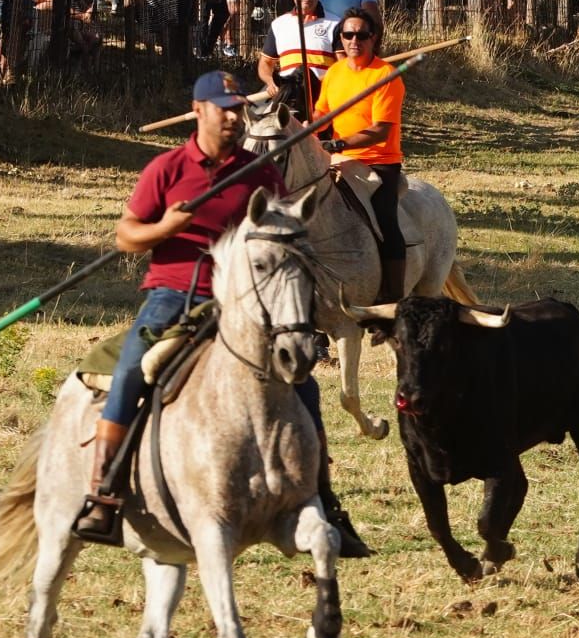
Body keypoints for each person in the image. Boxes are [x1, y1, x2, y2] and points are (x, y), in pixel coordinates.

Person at [73, 70, 371, 555]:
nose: (232, 117)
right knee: (130, 370)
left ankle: (324, 500)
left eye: (237, 109)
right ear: (199, 111)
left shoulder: (261, 174)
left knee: (305, 388)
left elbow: (281, 237)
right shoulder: (167, 169)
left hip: (246, 303)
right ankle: (103, 492)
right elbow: (126, 236)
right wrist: (167, 226)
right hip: (175, 295)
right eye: (222, 109)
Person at [315, 9, 406, 303]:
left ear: (374, 38)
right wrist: (311, 126)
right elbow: (322, 111)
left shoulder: (386, 76)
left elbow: (380, 131)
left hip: (379, 162)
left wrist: (338, 145)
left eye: (362, 35)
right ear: (340, 38)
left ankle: (393, 295)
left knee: (385, 220)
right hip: (337, 159)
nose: (355, 40)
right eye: (348, 35)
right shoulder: (334, 73)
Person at [258, 0, 337, 109]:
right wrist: (270, 82)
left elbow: (345, 64)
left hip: (322, 100)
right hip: (287, 99)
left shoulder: (335, 24)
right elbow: (266, 62)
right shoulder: (279, 24)